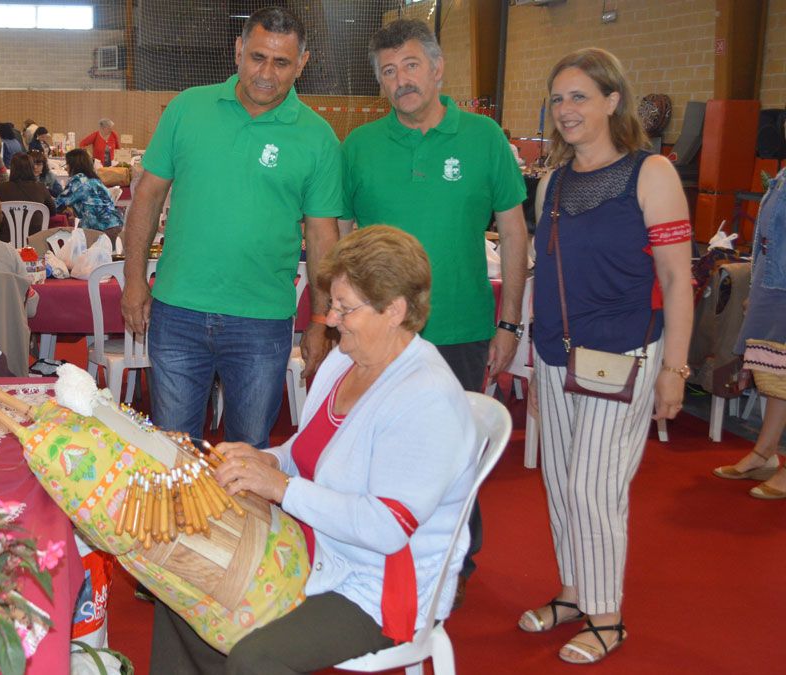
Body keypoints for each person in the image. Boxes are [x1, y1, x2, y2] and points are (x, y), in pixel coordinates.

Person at [153, 226, 478, 673]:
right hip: (313, 547)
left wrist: (281, 486)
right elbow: (309, 450)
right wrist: (267, 458)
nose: (330, 318)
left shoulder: (426, 398)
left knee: (257, 658)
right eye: (332, 305)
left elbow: (385, 527)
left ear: (394, 311)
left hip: (378, 585)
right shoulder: (346, 361)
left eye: (345, 308)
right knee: (180, 585)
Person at [341, 19, 529, 602]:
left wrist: (509, 320)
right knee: (374, 450)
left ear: (438, 68)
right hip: (378, 336)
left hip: (460, 328)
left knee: (453, 460)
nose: (402, 81)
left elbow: (515, 233)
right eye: (389, 72)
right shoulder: (360, 147)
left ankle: (453, 563)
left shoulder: (484, 138)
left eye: (412, 66)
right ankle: (373, 555)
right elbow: (344, 234)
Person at [518, 48, 693, 664]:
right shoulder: (552, 181)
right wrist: (531, 364)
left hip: (623, 357)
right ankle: (574, 592)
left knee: (595, 488)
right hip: (556, 356)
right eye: (558, 98)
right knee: (563, 485)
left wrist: (675, 369)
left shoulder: (653, 174)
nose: (566, 110)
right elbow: (546, 274)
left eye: (580, 97)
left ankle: (608, 617)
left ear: (613, 100)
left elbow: (676, 280)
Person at [122, 6, 341, 451]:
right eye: (257, 56)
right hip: (178, 311)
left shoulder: (318, 137)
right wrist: (132, 280)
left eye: (282, 62)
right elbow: (146, 198)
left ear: (302, 63)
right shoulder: (187, 108)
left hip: (262, 322)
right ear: (238, 50)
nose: (266, 73)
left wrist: (321, 319)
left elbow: (322, 238)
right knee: (175, 452)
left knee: (249, 455)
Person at [711, 167, 786, 498]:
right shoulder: (783, 175)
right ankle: (764, 453)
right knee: (775, 376)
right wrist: (756, 292)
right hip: (775, 287)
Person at [54, 148, 123, 231]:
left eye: (67, 164)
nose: (66, 168)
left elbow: (57, 205)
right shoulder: (95, 180)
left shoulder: (78, 181)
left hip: (97, 229)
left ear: (73, 165)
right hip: (115, 225)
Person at [0, 152, 56, 242]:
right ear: (31, 168)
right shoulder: (40, 187)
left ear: (12, 169)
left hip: (7, 239)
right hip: (35, 240)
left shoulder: (1, 189)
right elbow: (53, 211)